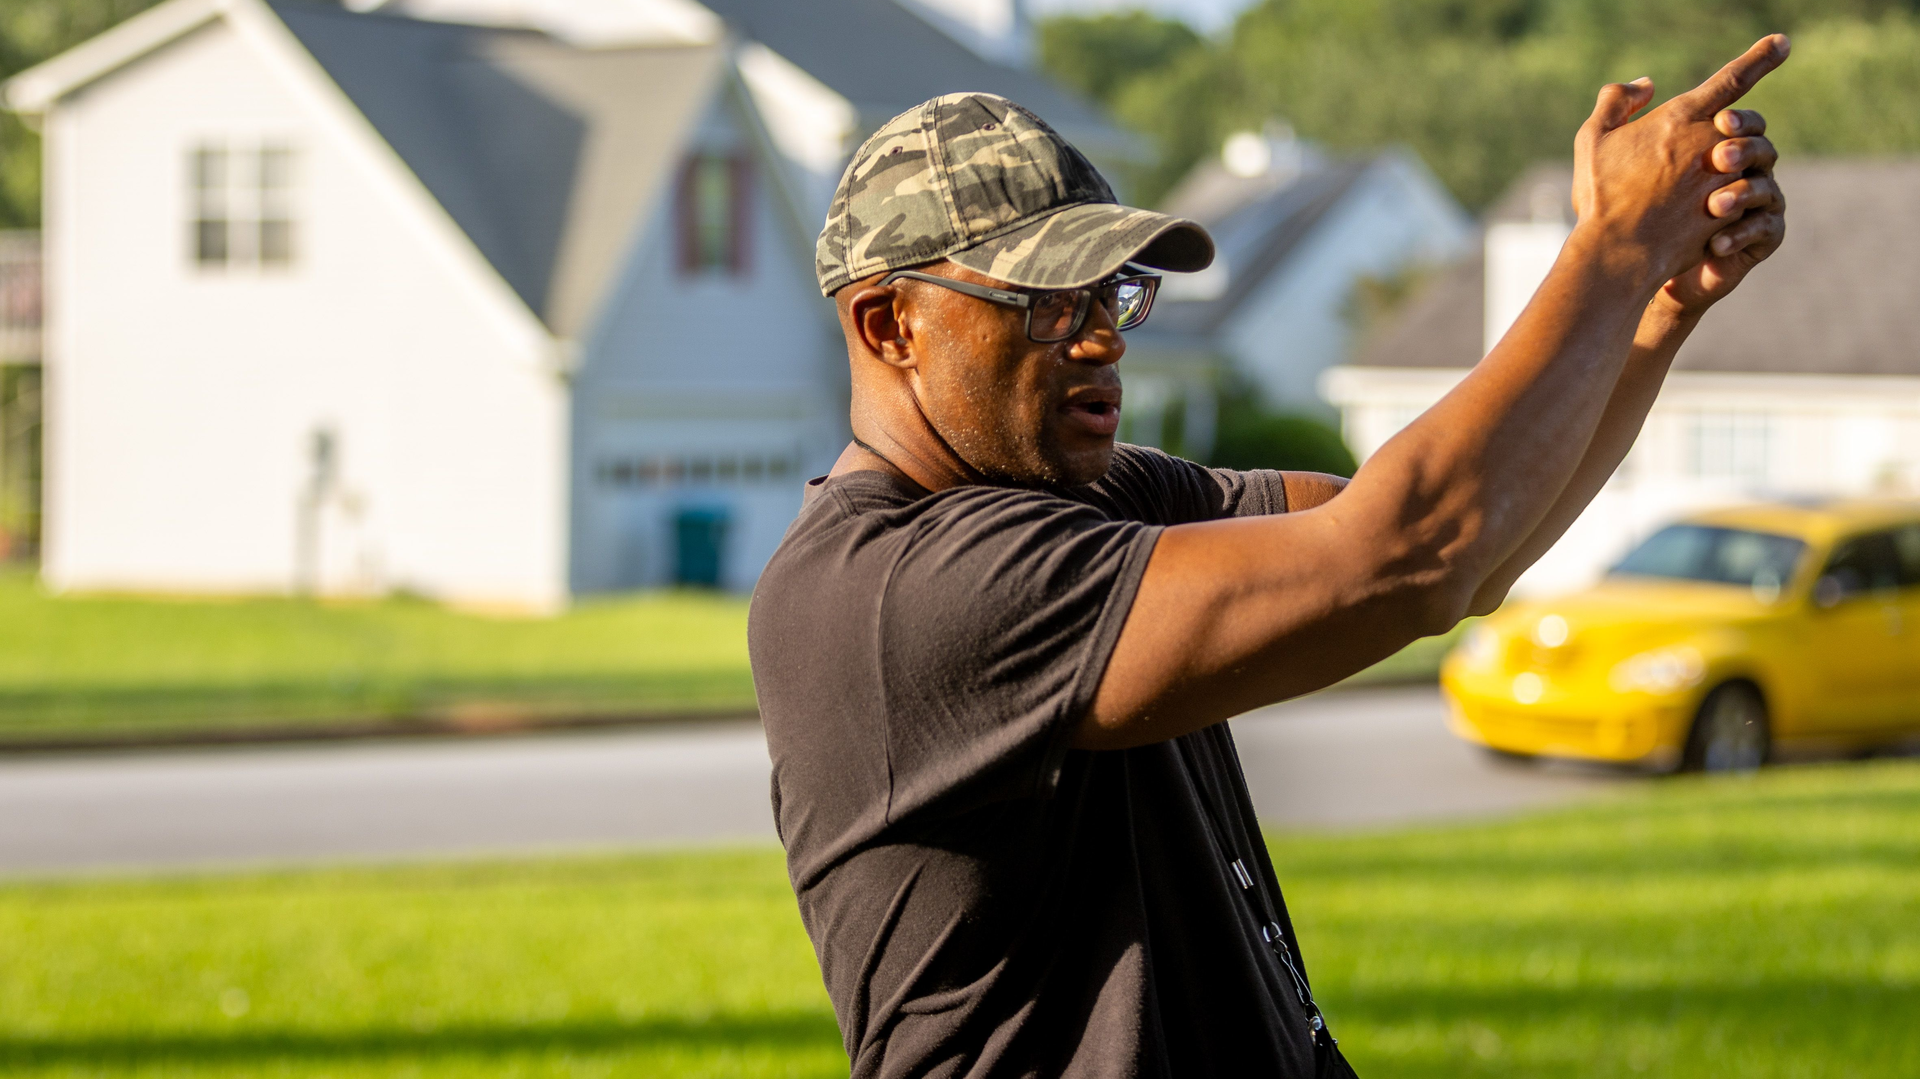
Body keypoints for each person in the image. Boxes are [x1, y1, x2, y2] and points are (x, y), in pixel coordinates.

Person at [749, 35, 1789, 1079]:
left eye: (1113, 295)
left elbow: (1469, 551)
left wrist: (1654, 310)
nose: (1105, 337)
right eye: (1049, 302)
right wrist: (1607, 251)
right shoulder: (895, 589)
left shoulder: (1096, 498)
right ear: (890, 324)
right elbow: (1407, 551)